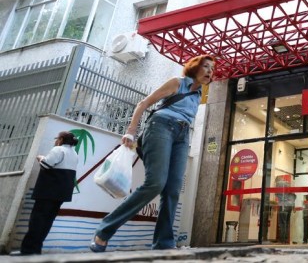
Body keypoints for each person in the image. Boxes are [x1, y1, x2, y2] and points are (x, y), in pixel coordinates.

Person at [90, 54, 215, 252]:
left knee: (173, 189)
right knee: (156, 183)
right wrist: (131, 131)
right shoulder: (177, 83)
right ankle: (104, 230)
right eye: (206, 66)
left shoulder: (199, 94)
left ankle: (164, 243)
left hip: (183, 136)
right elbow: (143, 103)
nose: (210, 71)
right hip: (161, 127)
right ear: (194, 67)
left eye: (212, 68)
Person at [21, 131, 79, 255]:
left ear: (61, 139)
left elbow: (46, 165)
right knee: (47, 221)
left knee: (37, 220)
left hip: (48, 191)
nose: (56, 140)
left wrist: (40, 157)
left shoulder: (58, 150)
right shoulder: (74, 153)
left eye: (57, 138)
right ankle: (36, 249)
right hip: (61, 193)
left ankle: (28, 250)